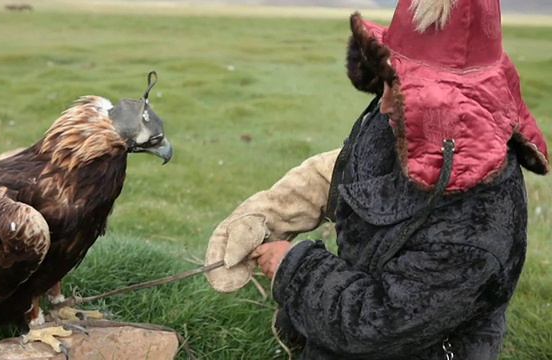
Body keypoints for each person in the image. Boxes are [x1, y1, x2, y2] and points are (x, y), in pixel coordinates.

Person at [204, 0, 550, 359]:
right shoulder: (412, 123)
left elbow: (378, 325)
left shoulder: (478, 229)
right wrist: (272, 211)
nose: (383, 104)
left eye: (404, 88)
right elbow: (353, 169)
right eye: (389, 79)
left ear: (452, 106)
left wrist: (293, 269)